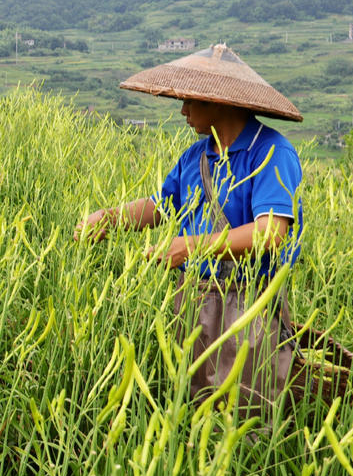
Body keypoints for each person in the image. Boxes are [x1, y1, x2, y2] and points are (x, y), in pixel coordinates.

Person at [74, 44, 304, 418]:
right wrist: (110, 218)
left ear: (219, 102)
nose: (183, 110)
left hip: (250, 304)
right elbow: (161, 206)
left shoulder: (271, 152)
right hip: (193, 298)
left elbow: (270, 232)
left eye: (190, 101)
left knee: (245, 412)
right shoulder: (196, 157)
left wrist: (191, 247)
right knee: (195, 408)